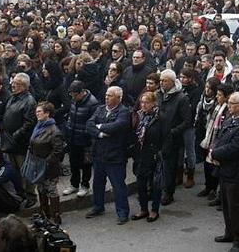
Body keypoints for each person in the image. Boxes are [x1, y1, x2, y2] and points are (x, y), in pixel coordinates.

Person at [210, 92, 239, 252]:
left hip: (238, 171)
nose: (228, 106)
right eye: (229, 103)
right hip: (225, 169)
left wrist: (215, 154)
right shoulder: (232, 119)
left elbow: (236, 147)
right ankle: (229, 233)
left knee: (236, 207)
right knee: (226, 205)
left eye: (232, 103)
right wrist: (214, 150)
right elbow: (221, 138)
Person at [85, 86, 131, 225]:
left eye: (110, 96)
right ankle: (98, 206)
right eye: (106, 95)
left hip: (115, 156)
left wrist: (99, 126)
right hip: (99, 154)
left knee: (118, 186)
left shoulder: (123, 112)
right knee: (98, 184)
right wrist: (100, 133)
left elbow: (117, 126)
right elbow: (89, 124)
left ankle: (122, 212)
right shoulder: (100, 109)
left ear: (118, 98)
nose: (106, 97)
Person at [1, 72, 37, 207]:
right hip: (10, 142)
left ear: (22, 86)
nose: (12, 85)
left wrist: (16, 135)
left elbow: (29, 123)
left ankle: (31, 196)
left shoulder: (29, 101)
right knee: (15, 171)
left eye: (15, 83)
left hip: (21, 143)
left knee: (25, 171)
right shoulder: (13, 98)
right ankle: (20, 194)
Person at [26, 101, 64, 224]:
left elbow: (58, 150)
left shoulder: (54, 131)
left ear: (47, 113)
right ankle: (44, 213)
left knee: (51, 189)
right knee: (41, 188)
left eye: (39, 111)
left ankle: (56, 215)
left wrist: (45, 162)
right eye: (36, 111)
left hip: (49, 167)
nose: (37, 114)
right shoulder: (38, 126)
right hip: (38, 164)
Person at [157, 69, 192, 205]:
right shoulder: (158, 94)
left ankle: (168, 192)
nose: (161, 83)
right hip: (158, 135)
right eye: (160, 80)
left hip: (172, 138)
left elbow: (187, 121)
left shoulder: (181, 98)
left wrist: (173, 131)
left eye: (164, 81)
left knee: (169, 166)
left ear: (172, 82)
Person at [131, 92, 165, 223]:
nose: (143, 105)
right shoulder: (140, 116)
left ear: (153, 103)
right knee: (140, 184)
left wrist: (161, 152)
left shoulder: (160, 117)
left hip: (154, 154)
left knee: (155, 184)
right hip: (141, 155)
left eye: (146, 102)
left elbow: (166, 136)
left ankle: (154, 210)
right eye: (142, 102)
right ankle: (143, 209)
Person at [62, 80, 99, 197]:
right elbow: (70, 116)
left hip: (85, 140)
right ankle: (74, 184)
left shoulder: (93, 103)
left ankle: (85, 186)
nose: (73, 97)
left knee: (86, 164)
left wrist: (86, 134)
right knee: (73, 163)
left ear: (82, 92)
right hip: (73, 137)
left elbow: (93, 122)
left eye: (75, 94)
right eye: (71, 94)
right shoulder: (74, 100)